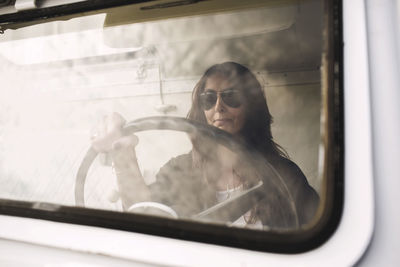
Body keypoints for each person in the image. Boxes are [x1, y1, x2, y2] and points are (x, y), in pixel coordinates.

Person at [92, 62, 319, 230]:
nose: (219, 107)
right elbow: (142, 215)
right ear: (202, 109)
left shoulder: (284, 176)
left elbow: (315, 235)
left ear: (252, 107)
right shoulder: (179, 170)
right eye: (209, 99)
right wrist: (123, 154)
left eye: (231, 96)